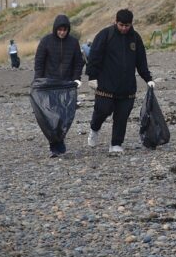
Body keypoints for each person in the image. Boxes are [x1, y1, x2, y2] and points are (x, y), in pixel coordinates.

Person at [86, 9, 154, 155]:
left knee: (122, 116)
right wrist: (92, 77)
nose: (124, 28)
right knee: (102, 110)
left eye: (127, 25)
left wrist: (148, 78)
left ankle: (116, 143)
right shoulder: (105, 35)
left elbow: (141, 61)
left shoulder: (135, 38)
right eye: (121, 25)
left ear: (131, 24)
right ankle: (94, 129)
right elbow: (94, 56)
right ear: (115, 21)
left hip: (127, 87)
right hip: (106, 85)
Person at [34, 14, 85, 157]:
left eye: (65, 30)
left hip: (67, 86)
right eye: (60, 30)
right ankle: (55, 146)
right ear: (55, 29)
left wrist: (77, 78)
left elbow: (78, 62)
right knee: (51, 117)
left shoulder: (73, 43)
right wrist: (38, 80)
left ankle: (59, 141)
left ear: (68, 29)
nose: (62, 32)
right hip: (49, 86)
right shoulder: (46, 41)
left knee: (65, 117)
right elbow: (39, 62)